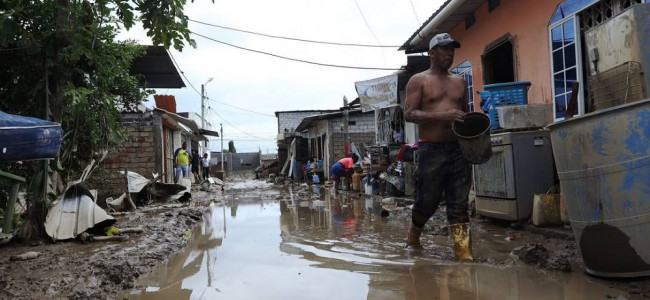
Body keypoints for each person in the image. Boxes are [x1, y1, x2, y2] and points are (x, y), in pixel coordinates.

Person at [403, 33, 473, 260]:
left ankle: (464, 254)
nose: (450, 53)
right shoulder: (418, 80)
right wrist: (444, 115)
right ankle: (413, 237)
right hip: (430, 150)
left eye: (452, 48)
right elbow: (409, 113)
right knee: (427, 201)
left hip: (458, 149)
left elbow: (465, 116)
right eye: (444, 49)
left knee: (459, 203)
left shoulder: (460, 82)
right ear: (432, 53)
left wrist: (475, 136)